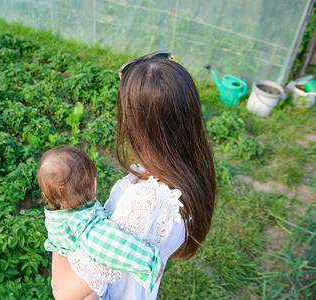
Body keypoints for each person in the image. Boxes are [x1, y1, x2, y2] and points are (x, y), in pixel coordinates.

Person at [50, 51, 216, 300]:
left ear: (135, 123)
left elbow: (65, 293)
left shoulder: (143, 205)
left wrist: (63, 214)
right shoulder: (187, 171)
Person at [38, 145, 164, 298]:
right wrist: (149, 263)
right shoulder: (86, 227)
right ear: (94, 185)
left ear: (45, 195)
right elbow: (112, 245)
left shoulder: (57, 218)